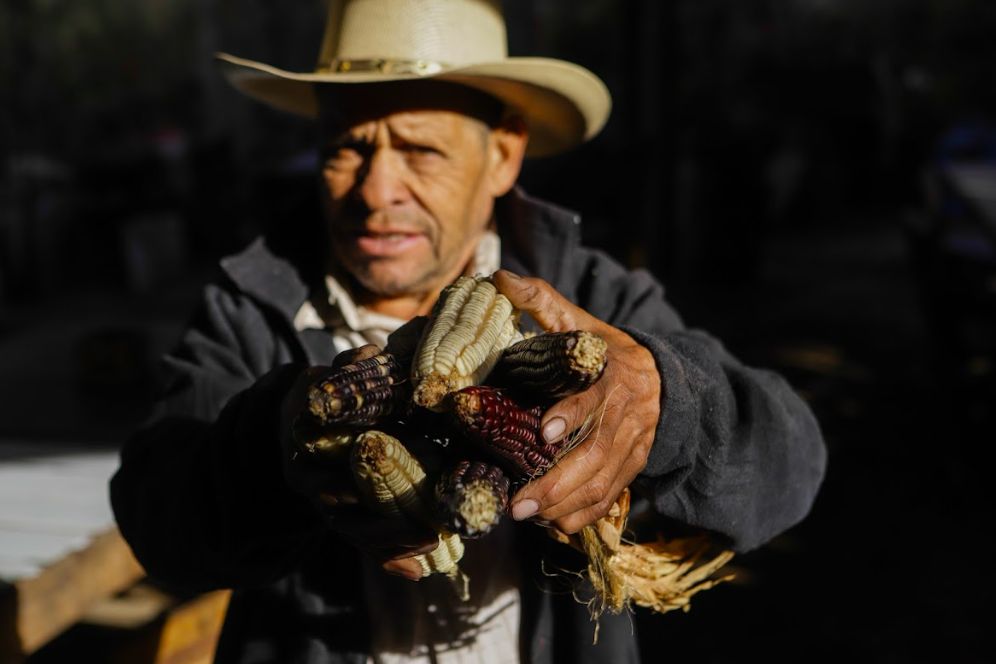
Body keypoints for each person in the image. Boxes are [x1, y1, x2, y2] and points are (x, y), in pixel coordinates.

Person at [110, 1, 827, 663]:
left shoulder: (591, 296)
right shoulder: (247, 312)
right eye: (347, 148)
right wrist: (271, 443)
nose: (376, 191)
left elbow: (792, 462)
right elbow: (157, 520)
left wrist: (668, 403)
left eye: (420, 150)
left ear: (503, 155)